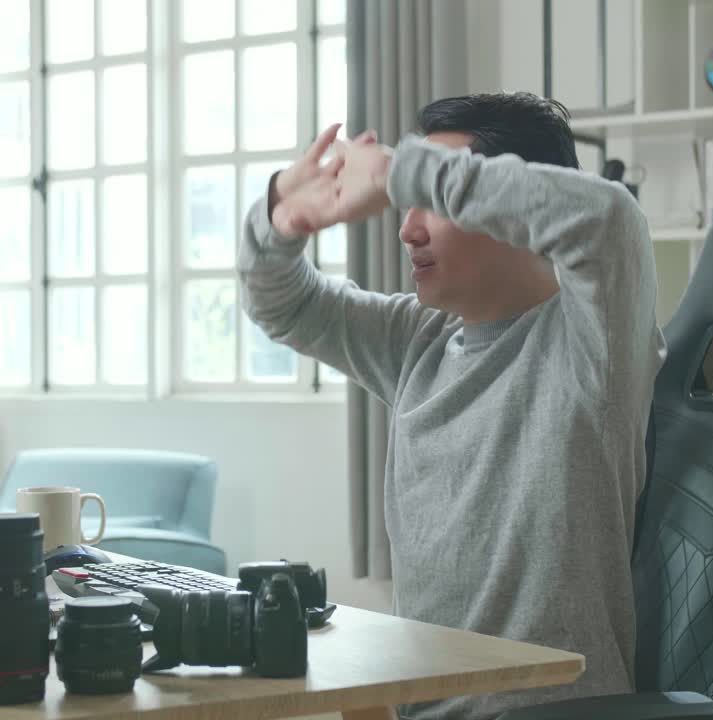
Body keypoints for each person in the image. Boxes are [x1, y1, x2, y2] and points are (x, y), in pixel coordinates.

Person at [240, 92, 666, 719]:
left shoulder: (591, 341)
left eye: (434, 200)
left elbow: (609, 219)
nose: (407, 228)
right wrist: (279, 217)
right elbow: (284, 304)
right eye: (407, 203)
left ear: (511, 204)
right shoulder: (418, 340)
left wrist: (394, 171)